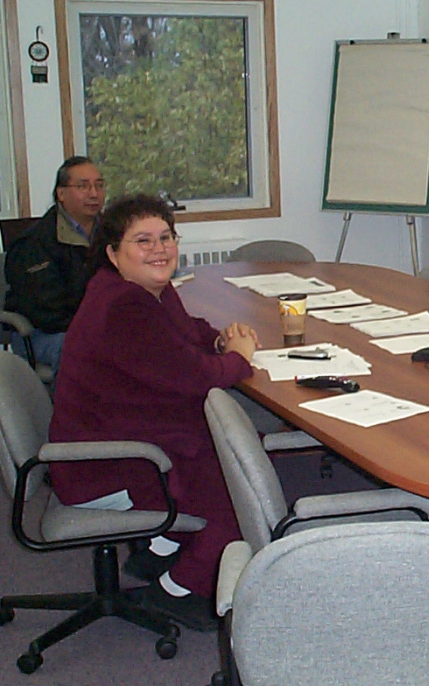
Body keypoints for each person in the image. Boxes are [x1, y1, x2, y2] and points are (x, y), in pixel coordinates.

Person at [47, 194, 260, 631]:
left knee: (226, 451)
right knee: (242, 491)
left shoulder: (139, 290)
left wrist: (220, 341)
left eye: (166, 237)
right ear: (113, 252)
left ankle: (159, 549)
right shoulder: (125, 306)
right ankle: (179, 590)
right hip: (105, 462)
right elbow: (193, 378)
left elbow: (184, 335)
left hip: (120, 431)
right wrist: (239, 359)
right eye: (142, 240)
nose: (159, 249)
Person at [4, 156, 106, 374]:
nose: (94, 193)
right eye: (83, 186)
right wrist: (95, 327)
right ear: (61, 194)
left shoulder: (113, 234)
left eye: (99, 185)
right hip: (44, 333)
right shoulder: (34, 244)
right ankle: (73, 409)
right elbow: (47, 312)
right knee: (80, 349)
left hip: (96, 325)